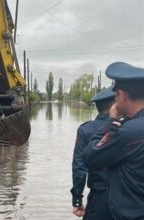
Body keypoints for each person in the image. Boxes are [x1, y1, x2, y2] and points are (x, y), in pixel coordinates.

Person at [83, 62, 144, 219]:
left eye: (116, 95)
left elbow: (90, 156)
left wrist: (110, 121)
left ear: (123, 95)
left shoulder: (127, 132)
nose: (115, 100)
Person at [71, 86, 115, 219]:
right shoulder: (129, 127)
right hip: (127, 196)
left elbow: (79, 167)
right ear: (115, 104)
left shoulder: (85, 130)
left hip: (98, 197)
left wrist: (77, 199)